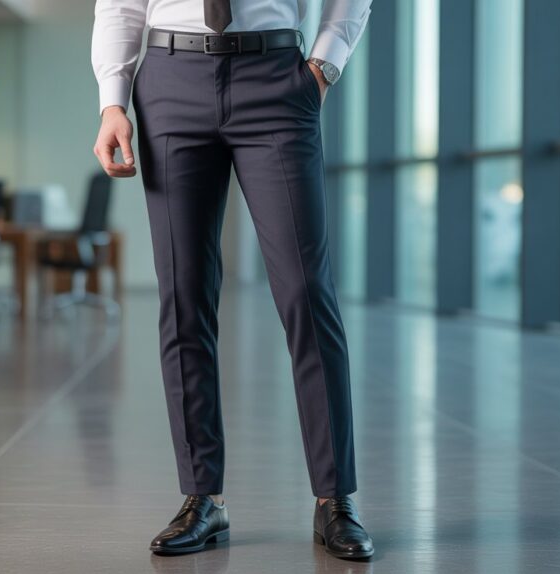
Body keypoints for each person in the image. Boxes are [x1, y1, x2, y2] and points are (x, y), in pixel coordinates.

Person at [91, 0, 374, 560]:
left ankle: (334, 499)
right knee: (184, 295)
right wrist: (111, 102)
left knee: (306, 293)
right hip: (170, 80)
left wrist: (324, 65)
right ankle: (202, 497)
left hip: (276, 78)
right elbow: (120, 5)